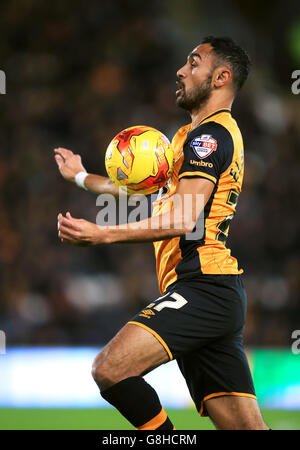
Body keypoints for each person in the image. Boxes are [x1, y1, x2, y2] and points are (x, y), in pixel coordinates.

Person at [54, 36, 269, 430]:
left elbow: (182, 219)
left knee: (110, 367)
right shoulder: (192, 138)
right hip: (212, 291)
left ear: (221, 77)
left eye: (194, 63)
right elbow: (145, 188)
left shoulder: (209, 139)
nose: (181, 71)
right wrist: (82, 176)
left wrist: (101, 235)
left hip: (203, 286)